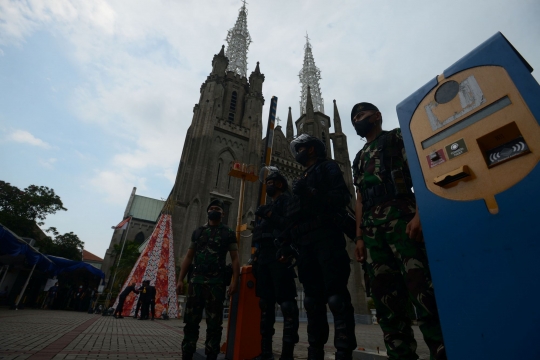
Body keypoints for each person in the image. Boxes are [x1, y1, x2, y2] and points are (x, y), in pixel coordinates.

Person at [350, 102, 446, 360]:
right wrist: (359, 237)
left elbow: (422, 169)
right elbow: (359, 199)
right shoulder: (358, 158)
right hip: (372, 233)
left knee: (422, 294)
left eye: (361, 115)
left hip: (402, 222)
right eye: (354, 117)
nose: (358, 119)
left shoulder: (396, 138)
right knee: (386, 305)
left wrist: (420, 213)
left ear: (377, 116)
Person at [288, 134, 357, 360]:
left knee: (336, 298)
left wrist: (311, 193)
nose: (298, 152)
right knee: (311, 301)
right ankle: (314, 351)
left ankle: (343, 351)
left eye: (301, 147)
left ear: (312, 149)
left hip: (327, 238)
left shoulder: (328, 168)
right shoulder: (302, 177)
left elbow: (341, 197)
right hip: (306, 245)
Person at [176, 199, 240, 360]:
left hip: (216, 284)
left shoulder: (228, 232)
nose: (214, 210)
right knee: (190, 322)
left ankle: (211, 355)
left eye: (217, 208)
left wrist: (234, 281)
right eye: (211, 208)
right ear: (207, 211)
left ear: (223, 213)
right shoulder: (198, 232)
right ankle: (187, 354)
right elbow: (189, 256)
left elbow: (235, 259)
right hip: (196, 282)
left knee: (214, 325)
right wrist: (180, 280)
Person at [252, 167, 299, 360]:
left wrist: (270, 216)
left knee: (287, 304)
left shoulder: (287, 201)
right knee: (265, 304)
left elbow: (291, 225)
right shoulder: (267, 206)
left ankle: (287, 354)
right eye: (267, 182)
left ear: (280, 184)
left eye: (271, 182)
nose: (268, 185)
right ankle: (266, 352)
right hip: (263, 259)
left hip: (280, 257)